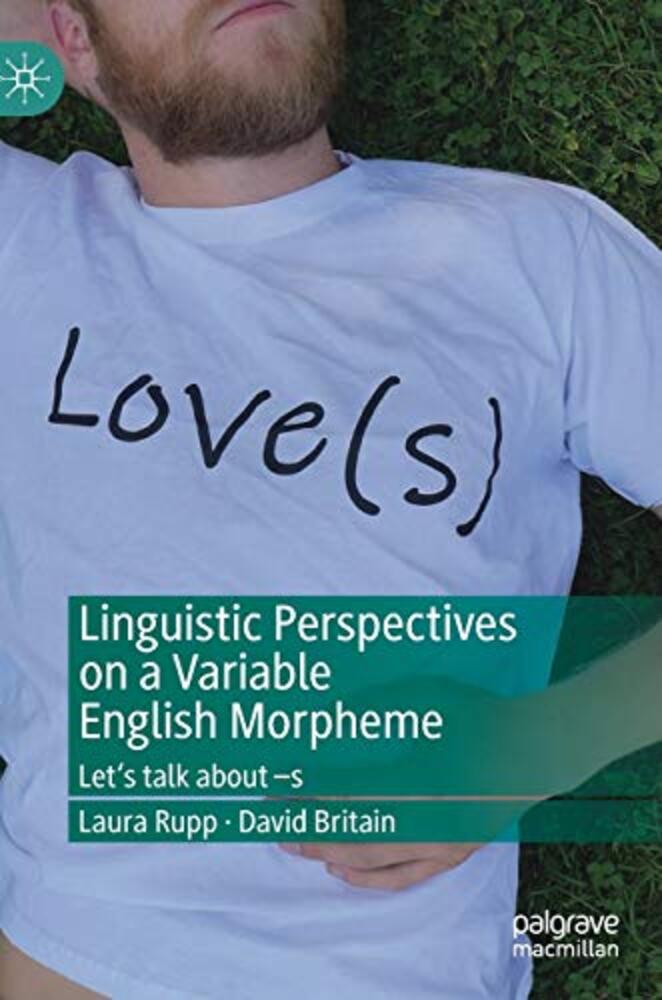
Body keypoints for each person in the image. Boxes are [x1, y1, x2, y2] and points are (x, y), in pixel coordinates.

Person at [0, 1, 660, 997]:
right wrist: (52, 41)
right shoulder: (28, 237)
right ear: (72, 36)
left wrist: (545, 742)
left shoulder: (538, 253)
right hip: (82, 959)